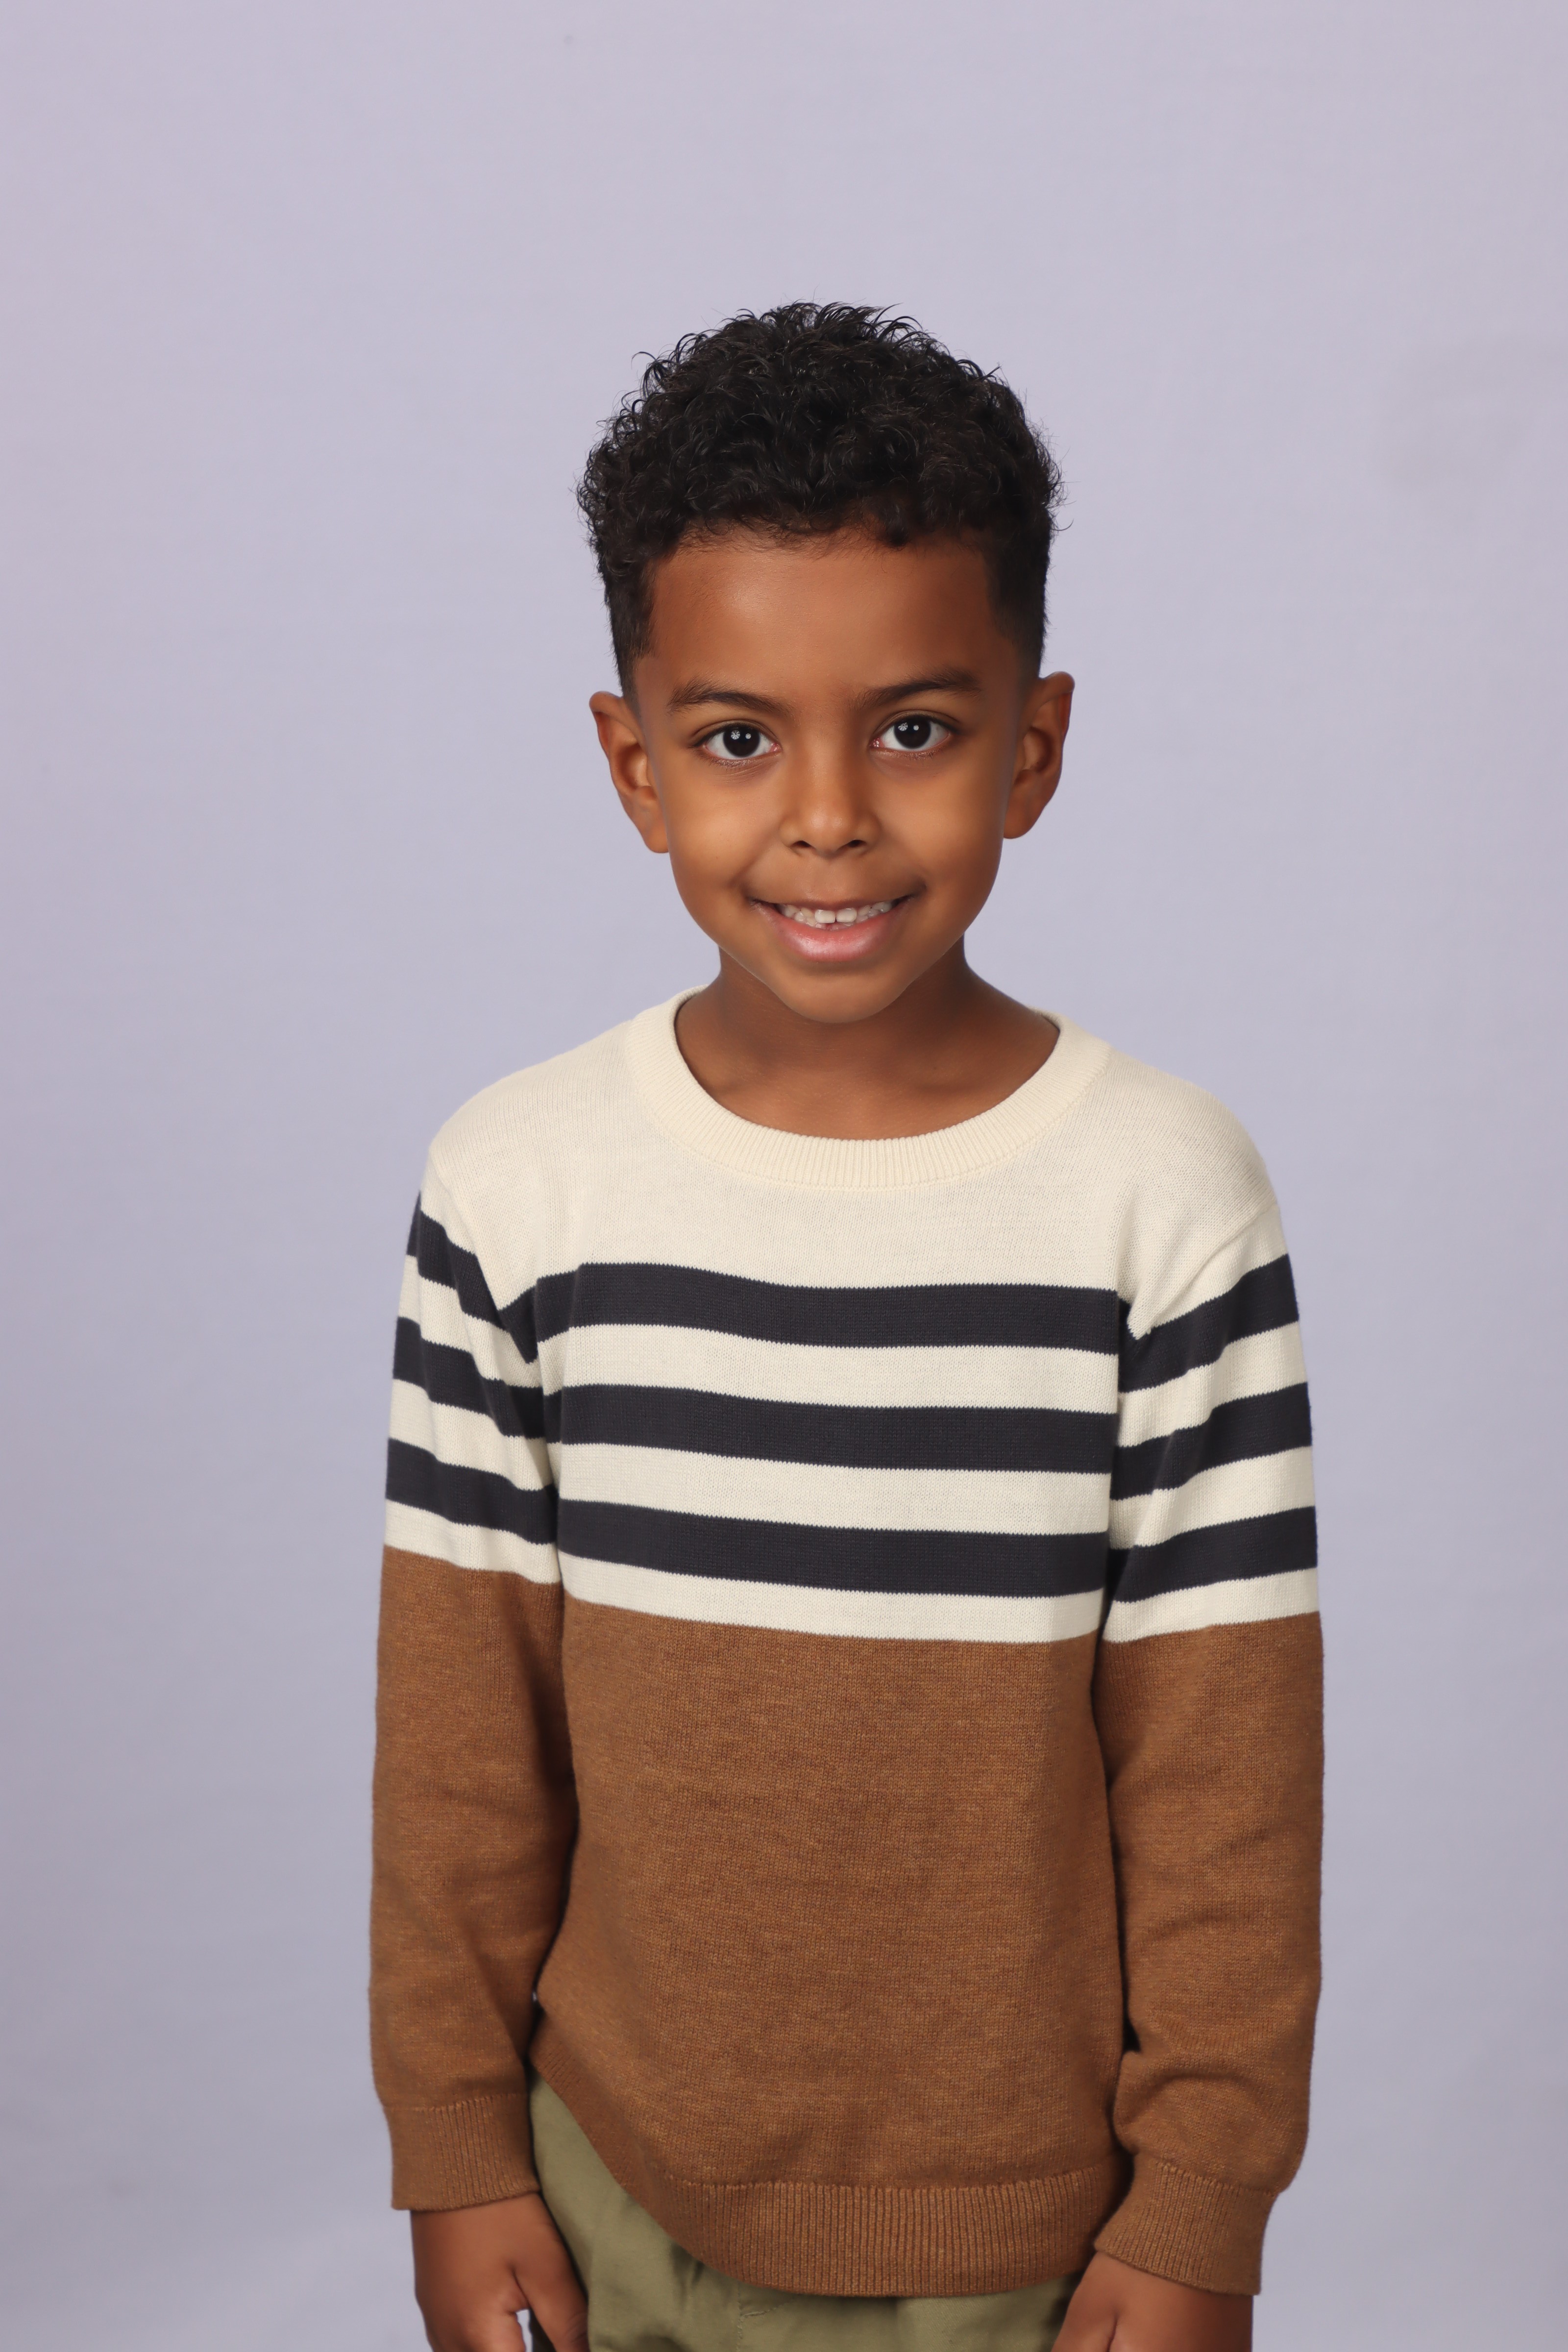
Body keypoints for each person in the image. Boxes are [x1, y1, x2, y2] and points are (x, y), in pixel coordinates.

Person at [371, 304, 1322, 2352]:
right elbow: (462, 1753)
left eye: (912, 730)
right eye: (737, 739)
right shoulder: (515, 1184)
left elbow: (1222, 1783)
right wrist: (455, 2153)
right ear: (633, 764)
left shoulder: (1160, 1198)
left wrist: (1200, 2217)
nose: (826, 816)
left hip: (1024, 2244)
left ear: (1030, 746)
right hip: (608, 2190)